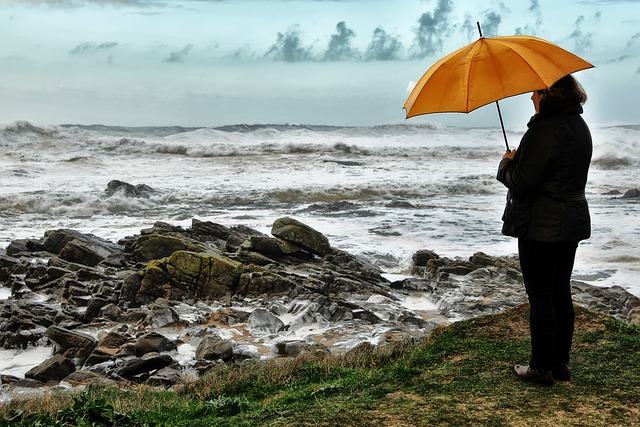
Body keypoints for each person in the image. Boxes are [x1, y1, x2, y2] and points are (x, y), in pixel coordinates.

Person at [496, 74, 592, 386]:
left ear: (548, 94)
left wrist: (506, 165)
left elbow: (524, 183)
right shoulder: (579, 126)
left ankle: (540, 368)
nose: (531, 98)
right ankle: (560, 362)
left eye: (535, 93)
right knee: (560, 290)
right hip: (571, 219)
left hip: (542, 225)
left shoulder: (545, 128)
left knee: (541, 295)